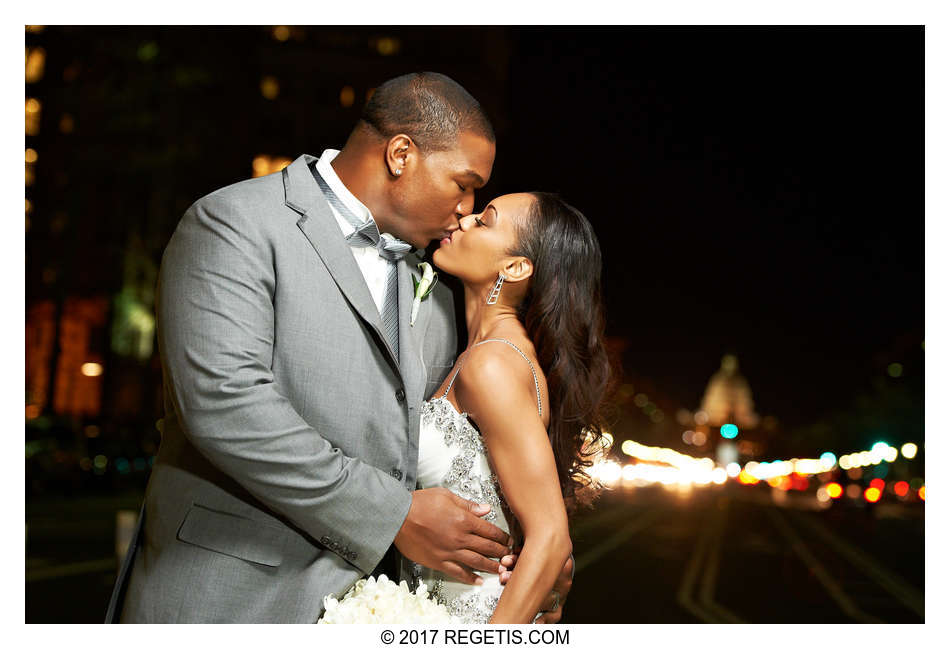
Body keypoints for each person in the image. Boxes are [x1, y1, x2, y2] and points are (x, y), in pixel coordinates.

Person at [105, 71, 573, 623]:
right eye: (463, 183)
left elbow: (466, 441)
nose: (467, 206)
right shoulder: (235, 222)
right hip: (231, 602)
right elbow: (224, 404)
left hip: (381, 613)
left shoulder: (442, 289)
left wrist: (534, 559)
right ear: (401, 155)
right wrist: (392, 517)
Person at [402, 191, 609, 623]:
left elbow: (551, 537)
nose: (464, 218)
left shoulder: (493, 363)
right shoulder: (490, 353)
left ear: (514, 267)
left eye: (485, 220)